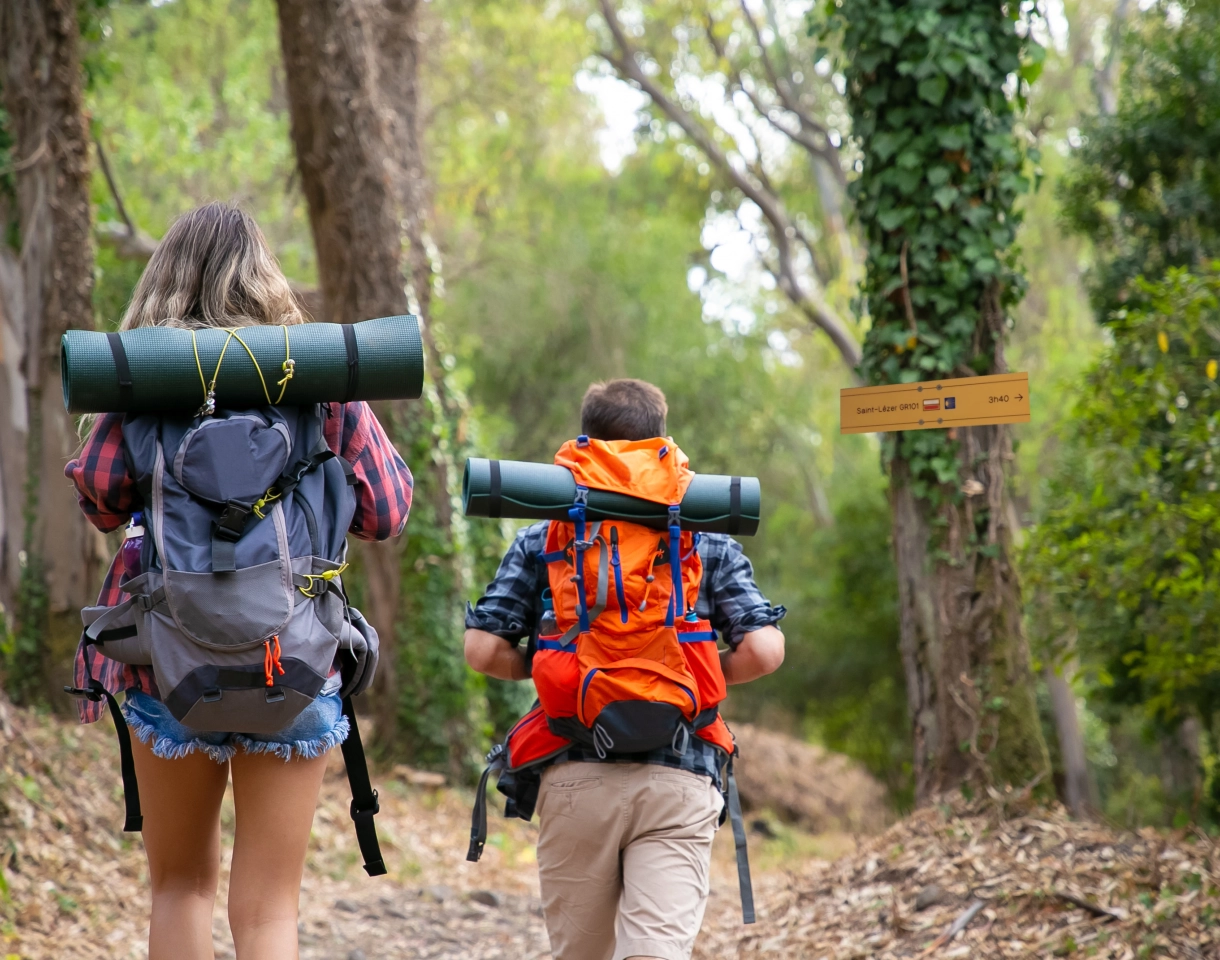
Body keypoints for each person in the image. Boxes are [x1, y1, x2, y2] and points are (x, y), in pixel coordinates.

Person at [65, 202, 413, 960]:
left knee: (179, 887)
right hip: (294, 659)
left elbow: (96, 497)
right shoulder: (318, 380)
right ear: (266, 276)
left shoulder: (145, 387)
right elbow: (386, 511)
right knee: (268, 910)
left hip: (168, 664)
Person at [464, 378, 785, 960]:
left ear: (585, 442)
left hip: (575, 771)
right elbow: (765, 651)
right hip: (681, 774)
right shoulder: (704, 537)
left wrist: (549, 666)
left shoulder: (548, 535)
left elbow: (483, 650)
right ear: (662, 440)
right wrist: (698, 671)